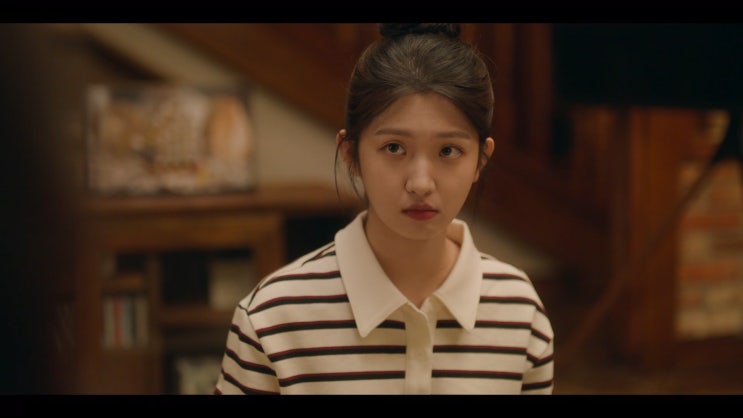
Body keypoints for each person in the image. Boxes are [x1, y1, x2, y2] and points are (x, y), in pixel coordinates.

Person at [215, 23, 554, 395]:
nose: (420, 183)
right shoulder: (271, 319)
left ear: (481, 160)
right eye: (394, 148)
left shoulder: (520, 312)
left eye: (448, 151)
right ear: (351, 155)